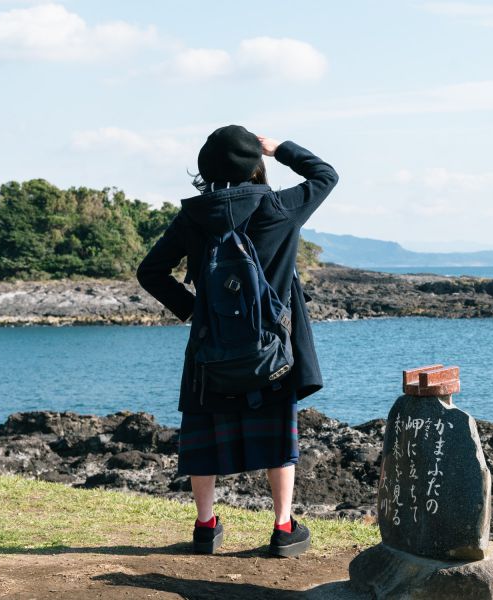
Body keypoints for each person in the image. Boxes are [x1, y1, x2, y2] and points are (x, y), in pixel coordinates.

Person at [137, 125, 337, 557]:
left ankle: (206, 528)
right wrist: (279, 147)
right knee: (279, 440)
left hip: (211, 347)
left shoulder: (194, 215)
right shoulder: (280, 208)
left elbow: (150, 271)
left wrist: (193, 310)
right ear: (254, 165)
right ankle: (283, 529)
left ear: (205, 169)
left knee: (203, 432)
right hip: (271, 349)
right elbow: (325, 175)